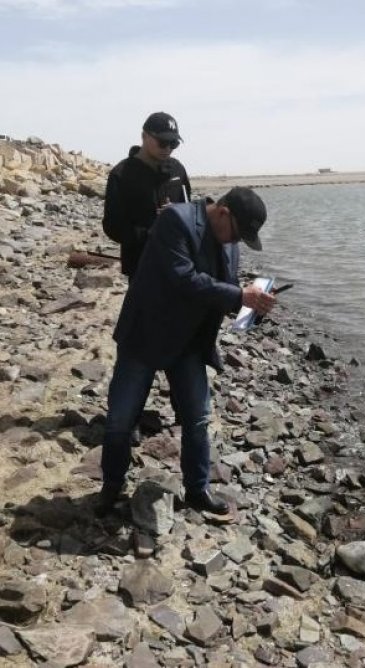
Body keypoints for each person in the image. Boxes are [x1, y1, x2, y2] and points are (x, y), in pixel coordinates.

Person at [96, 187, 277, 517]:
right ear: (223, 213)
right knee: (121, 419)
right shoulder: (174, 220)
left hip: (189, 343)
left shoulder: (228, 242)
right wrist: (241, 296)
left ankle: (197, 489)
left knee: (197, 418)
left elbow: (224, 294)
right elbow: (184, 278)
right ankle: (111, 487)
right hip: (145, 335)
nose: (236, 242)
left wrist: (255, 309)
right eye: (237, 233)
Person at [101, 111, 192, 277]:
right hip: (142, 267)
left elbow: (190, 212)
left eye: (173, 144)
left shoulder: (177, 170)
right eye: (163, 142)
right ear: (144, 136)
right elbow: (112, 226)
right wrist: (153, 229)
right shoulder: (121, 174)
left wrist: (178, 213)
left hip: (179, 264)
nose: (168, 149)